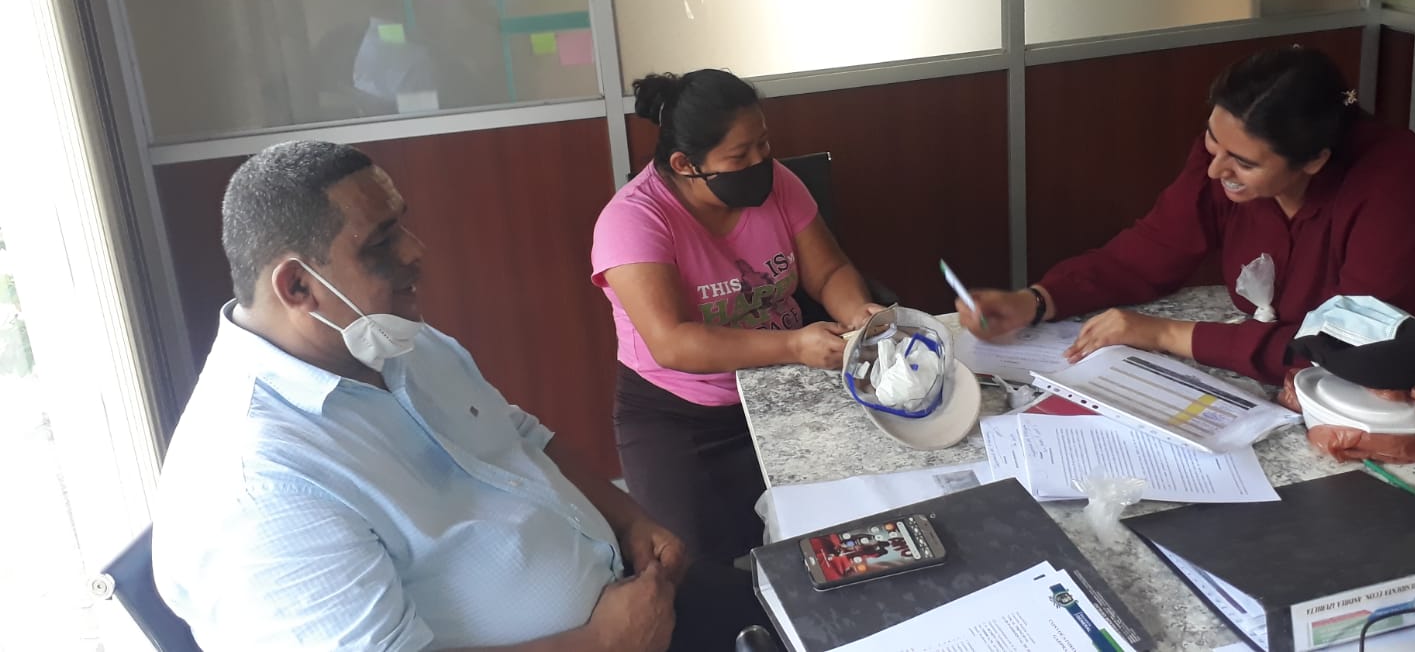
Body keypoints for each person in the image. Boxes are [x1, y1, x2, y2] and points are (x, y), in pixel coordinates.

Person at [153, 140, 767, 651]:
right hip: (611, 638)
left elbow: (520, 437)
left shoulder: (395, 343)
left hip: (636, 597)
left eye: (402, 224)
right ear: (296, 286)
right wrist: (603, 641)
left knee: (806, 607)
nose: (415, 250)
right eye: (381, 242)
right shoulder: (258, 486)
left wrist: (630, 519)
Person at [958, 46, 1415, 384]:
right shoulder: (1226, 155)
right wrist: (1038, 300)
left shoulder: (1396, 179)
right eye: (1212, 142)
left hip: (1411, 394)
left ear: (1314, 160)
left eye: (1244, 163)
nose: (1216, 170)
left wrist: (1165, 334)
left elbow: (1348, 345)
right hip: (1289, 381)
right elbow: (1153, 248)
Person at [592, 69, 881, 565]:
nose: (760, 162)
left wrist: (857, 312)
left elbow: (829, 271)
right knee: (695, 566)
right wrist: (794, 345)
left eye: (763, 144)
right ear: (685, 164)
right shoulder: (633, 220)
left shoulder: (779, 183)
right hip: (684, 414)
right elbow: (673, 343)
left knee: (840, 538)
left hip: (787, 385)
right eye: (740, 155)